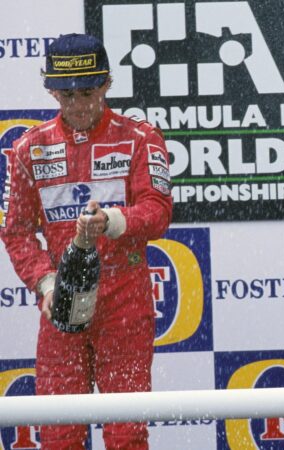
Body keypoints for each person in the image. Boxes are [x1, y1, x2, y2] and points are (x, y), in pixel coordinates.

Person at [0, 33, 172, 449]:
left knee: (126, 432)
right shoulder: (28, 149)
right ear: (51, 90)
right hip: (62, 301)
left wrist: (113, 221)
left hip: (125, 301)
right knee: (59, 433)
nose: (77, 103)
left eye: (87, 92)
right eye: (66, 94)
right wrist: (45, 283)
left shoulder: (140, 138)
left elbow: (159, 209)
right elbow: (16, 230)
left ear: (108, 84)